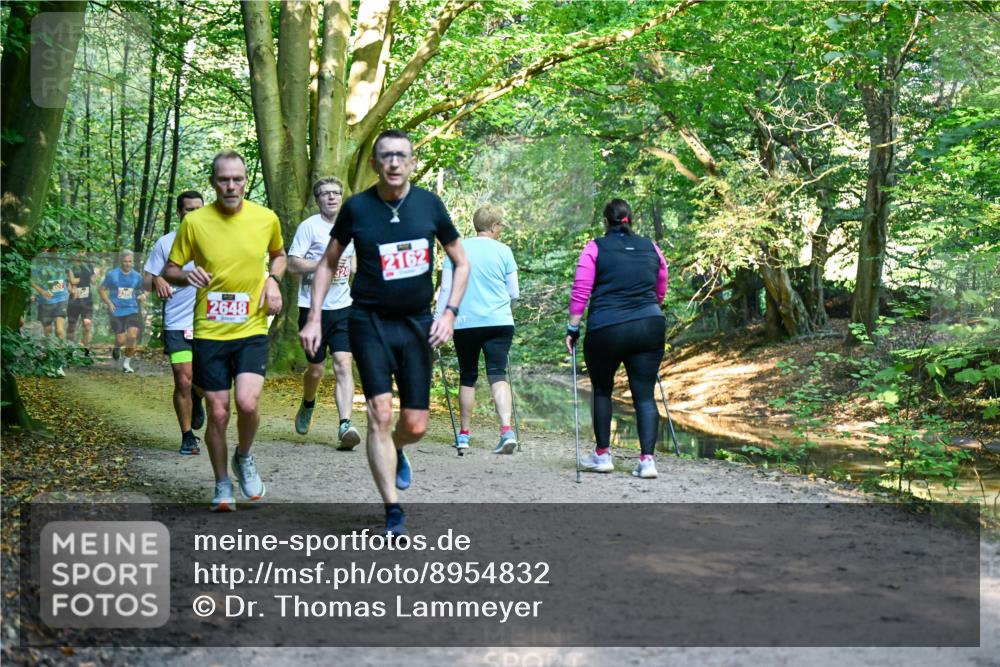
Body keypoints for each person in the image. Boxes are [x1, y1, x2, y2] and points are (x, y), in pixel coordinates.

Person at [300, 129, 469, 536]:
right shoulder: (357, 208)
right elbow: (327, 263)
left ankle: (397, 448)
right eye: (385, 156)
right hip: (369, 322)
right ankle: (393, 509)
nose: (394, 162)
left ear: (411, 162)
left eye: (402, 155)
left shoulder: (429, 204)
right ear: (375, 164)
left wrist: (448, 313)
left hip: (416, 324)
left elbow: (460, 262)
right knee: (379, 413)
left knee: (415, 425)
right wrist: (315, 317)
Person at [164, 150, 286, 512]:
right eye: (223, 180)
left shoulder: (265, 218)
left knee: (247, 403)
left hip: (250, 327)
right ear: (213, 182)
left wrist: (273, 280)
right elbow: (169, 269)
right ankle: (221, 484)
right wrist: (186, 274)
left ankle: (244, 456)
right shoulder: (195, 222)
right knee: (218, 413)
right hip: (209, 331)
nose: (230, 186)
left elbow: (278, 254)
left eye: (237, 179)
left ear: (245, 180)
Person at [565, 199, 668, 479]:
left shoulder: (595, 247)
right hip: (649, 325)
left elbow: (581, 290)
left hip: (606, 328)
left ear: (605, 222)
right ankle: (647, 461)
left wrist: (573, 328)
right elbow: (661, 284)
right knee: (645, 396)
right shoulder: (652, 247)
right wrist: (649, 307)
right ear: (630, 220)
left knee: (601, 390)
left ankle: (602, 455)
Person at [434, 205, 519, 454]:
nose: (501, 229)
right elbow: (514, 292)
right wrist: (505, 309)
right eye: (500, 225)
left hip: (466, 322)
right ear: (493, 227)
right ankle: (506, 431)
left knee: (468, 375)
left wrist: (439, 320)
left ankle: (464, 435)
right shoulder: (504, 251)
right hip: (499, 321)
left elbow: (447, 290)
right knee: (497, 374)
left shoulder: (458, 249)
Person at [288, 177, 361, 448]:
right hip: (312, 308)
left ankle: (345, 425)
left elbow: (354, 262)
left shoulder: (352, 226)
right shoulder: (309, 227)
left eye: (335, 193)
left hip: (343, 306)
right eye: (325, 194)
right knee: (316, 369)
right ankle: (308, 403)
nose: (331, 197)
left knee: (343, 363)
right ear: (318, 199)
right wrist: (324, 263)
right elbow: (293, 264)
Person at [143, 190, 207, 456]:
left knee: (205, 381)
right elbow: (145, 280)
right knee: (183, 379)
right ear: (180, 213)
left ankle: (197, 397)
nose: (194, 214)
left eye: (199, 209)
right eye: (189, 209)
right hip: (177, 323)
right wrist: (157, 279)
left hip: (210, 323)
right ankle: (187, 436)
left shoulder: (216, 241)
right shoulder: (166, 243)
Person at [100, 250, 145, 374]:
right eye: (125, 261)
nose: (127, 264)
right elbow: (102, 290)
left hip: (132, 309)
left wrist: (143, 295)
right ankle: (116, 348)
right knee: (121, 340)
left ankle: (126, 363)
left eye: (130, 261)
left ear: (132, 262)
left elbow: (144, 289)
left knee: (132, 336)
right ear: (121, 261)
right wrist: (109, 303)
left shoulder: (137, 276)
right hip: (117, 310)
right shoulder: (112, 275)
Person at [30, 247, 70, 377]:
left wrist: (71, 285)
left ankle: (59, 364)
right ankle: (49, 361)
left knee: (59, 331)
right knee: (48, 333)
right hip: (45, 301)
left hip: (61, 298)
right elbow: (32, 281)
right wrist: (42, 292)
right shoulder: (40, 260)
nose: (57, 251)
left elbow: (71, 273)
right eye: (55, 249)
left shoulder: (64, 258)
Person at [66, 249, 99, 354]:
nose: (80, 253)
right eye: (78, 251)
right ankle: (69, 350)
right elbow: (72, 281)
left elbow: (93, 281)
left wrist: (97, 273)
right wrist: (86, 277)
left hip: (87, 300)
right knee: (71, 327)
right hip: (74, 300)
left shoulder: (88, 265)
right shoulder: (70, 265)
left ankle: (86, 349)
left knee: (87, 324)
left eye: (82, 251)